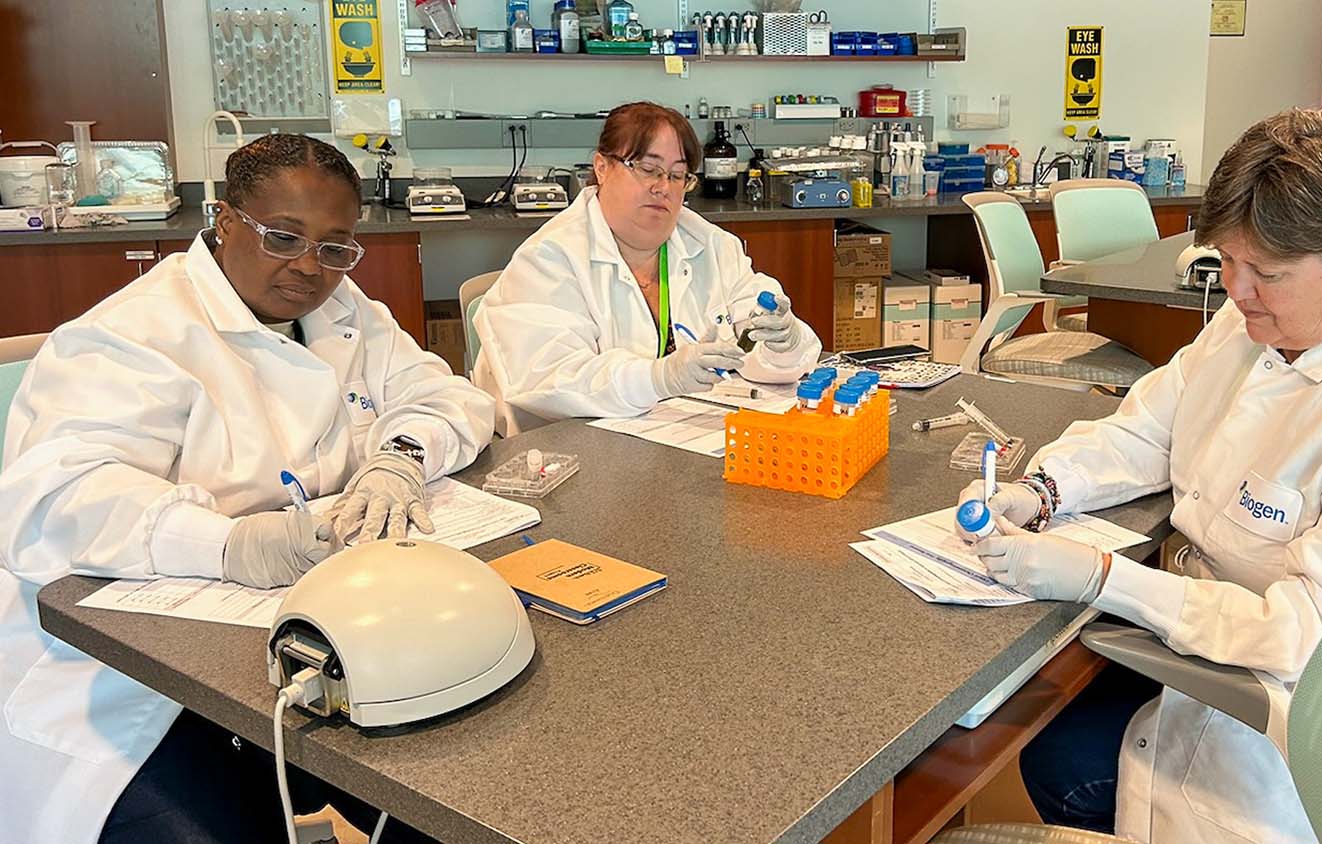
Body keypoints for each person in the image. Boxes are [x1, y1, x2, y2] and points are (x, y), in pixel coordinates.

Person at [957, 102, 1322, 840]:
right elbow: (1152, 428)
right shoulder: (1265, 316)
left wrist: (1099, 579)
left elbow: (1307, 638)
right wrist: (1045, 490)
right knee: (1043, 725)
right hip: (1220, 630)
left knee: (1058, 757)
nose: (1234, 291)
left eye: (1265, 273)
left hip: (1317, 732)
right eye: (1228, 262)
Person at [0, 133, 492, 844]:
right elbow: (50, 501)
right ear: (225, 220)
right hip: (136, 677)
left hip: (313, 639)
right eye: (283, 236)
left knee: (441, 797)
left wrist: (402, 457)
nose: (308, 267)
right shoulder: (132, 335)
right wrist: (232, 545)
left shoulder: (345, 310)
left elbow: (449, 397)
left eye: (334, 246)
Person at [473, 101, 822, 433]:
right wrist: (659, 378)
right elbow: (549, 382)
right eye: (648, 169)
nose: (663, 188)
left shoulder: (712, 245)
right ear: (602, 168)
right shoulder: (549, 258)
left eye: (677, 175)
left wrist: (784, 342)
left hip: (686, 440)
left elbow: (766, 360)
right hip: (572, 458)